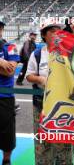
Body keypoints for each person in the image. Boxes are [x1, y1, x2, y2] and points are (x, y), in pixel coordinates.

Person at [26, 21, 74, 165]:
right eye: (52, 31)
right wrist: (41, 79)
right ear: (44, 35)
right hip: (41, 106)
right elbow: (29, 75)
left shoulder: (67, 53)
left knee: (63, 143)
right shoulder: (37, 54)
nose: (56, 34)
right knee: (42, 143)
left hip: (64, 108)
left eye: (58, 31)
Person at [0, 20, 20, 165]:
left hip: (5, 97)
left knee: (7, 133)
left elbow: (10, 71)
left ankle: (6, 160)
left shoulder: (11, 47)